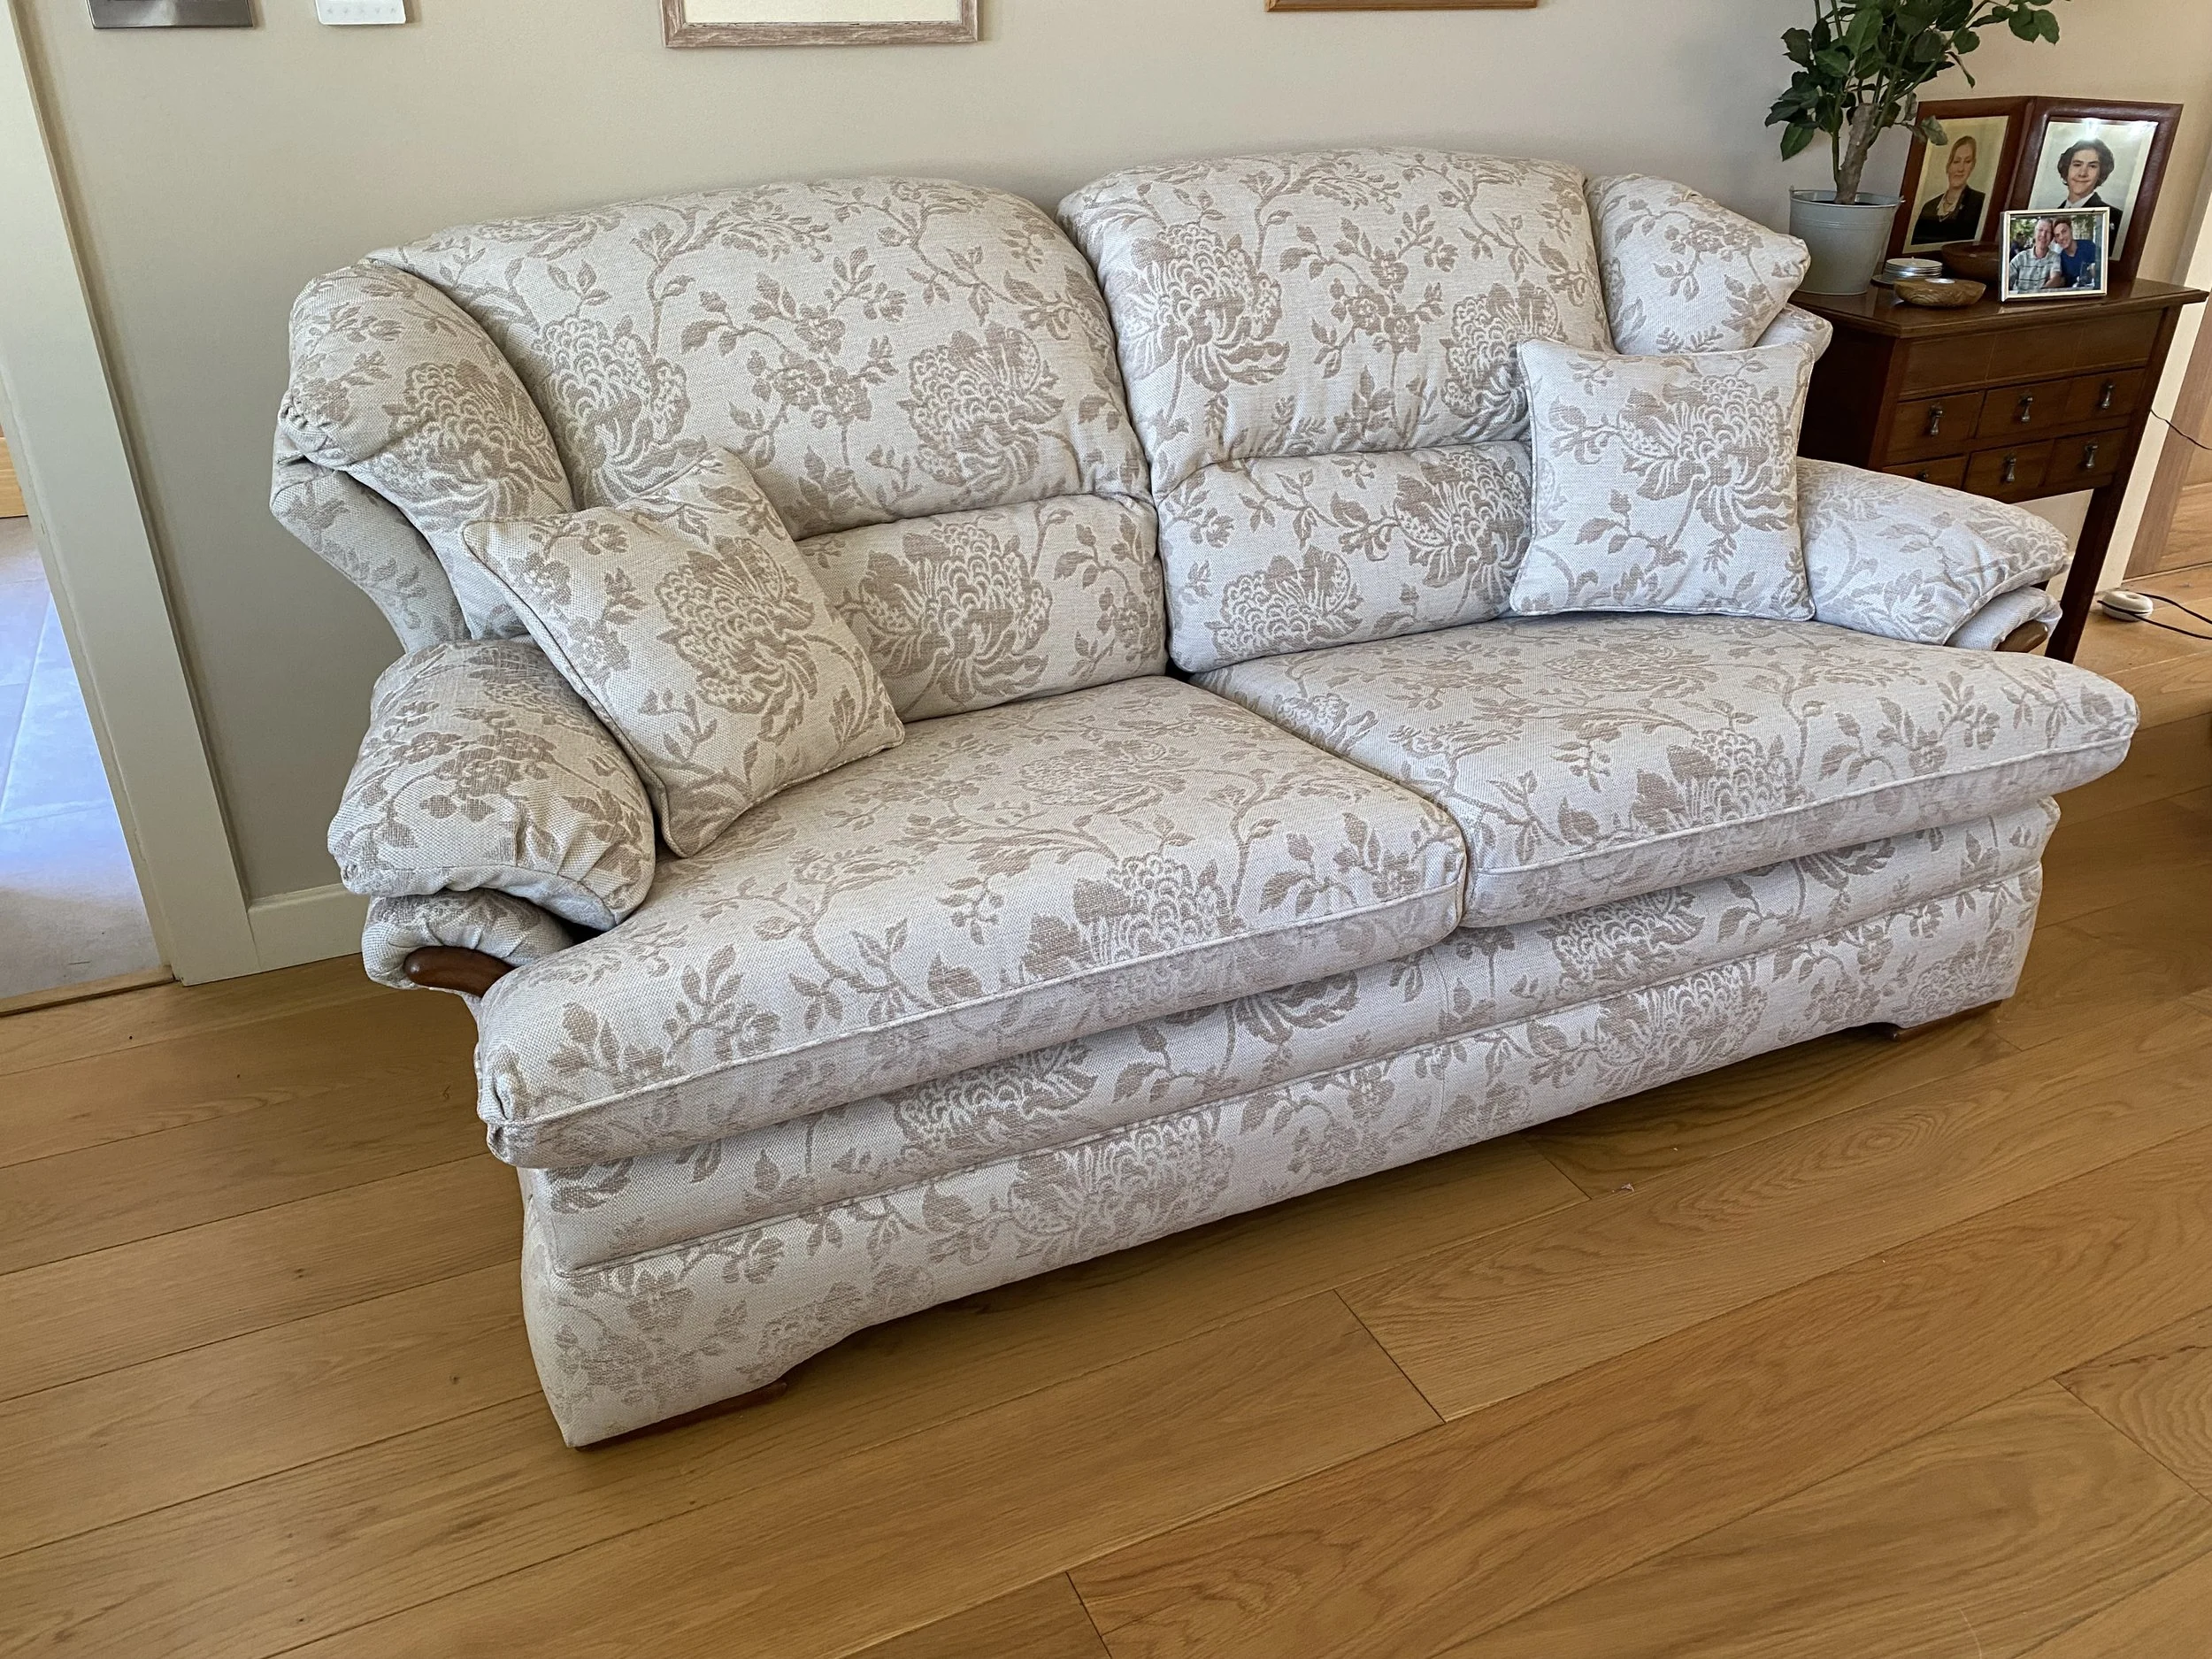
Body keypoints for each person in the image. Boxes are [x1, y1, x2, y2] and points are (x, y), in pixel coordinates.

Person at [2048, 136, 2124, 254]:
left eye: (2092, 166)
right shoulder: (2049, 216)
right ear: (2067, 168)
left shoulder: (2116, 218)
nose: (2083, 173)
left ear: (2101, 173)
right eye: (2077, 165)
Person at [1911, 134, 1986, 247]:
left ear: (1973, 165)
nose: (1961, 169)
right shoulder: (1929, 207)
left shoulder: (1979, 202)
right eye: (1956, 161)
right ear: (1948, 165)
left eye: (1967, 161)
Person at [2008, 217, 2064, 295]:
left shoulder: (2055, 257)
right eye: (2040, 230)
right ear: (2035, 234)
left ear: (2052, 238)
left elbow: (2055, 278)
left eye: (2048, 232)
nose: (2043, 235)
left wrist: (2039, 294)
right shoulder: (2020, 258)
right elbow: (2005, 280)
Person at [2051, 217, 2102, 290]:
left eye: (2064, 231)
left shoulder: (2089, 246)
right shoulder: (2060, 259)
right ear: (2055, 240)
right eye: (2057, 235)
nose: (2061, 237)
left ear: (2071, 230)